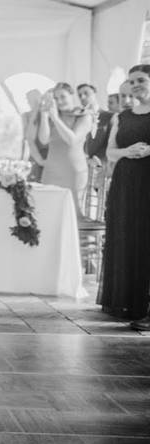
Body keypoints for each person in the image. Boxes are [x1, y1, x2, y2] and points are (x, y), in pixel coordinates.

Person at [99, 65, 150, 328]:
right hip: (125, 185)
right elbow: (110, 153)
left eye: (141, 80)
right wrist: (128, 151)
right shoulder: (122, 117)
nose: (135, 85)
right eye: (131, 81)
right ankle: (129, 301)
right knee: (126, 237)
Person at [39, 82, 91, 215]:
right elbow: (43, 140)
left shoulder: (84, 115)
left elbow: (72, 140)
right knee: (49, 212)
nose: (59, 101)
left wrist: (55, 118)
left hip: (73, 172)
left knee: (73, 213)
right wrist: (45, 117)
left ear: (72, 95)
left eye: (63, 96)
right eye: (55, 98)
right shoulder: (53, 116)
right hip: (51, 172)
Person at [22, 90, 48, 182]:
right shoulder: (26, 116)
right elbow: (28, 138)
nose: (29, 102)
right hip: (34, 155)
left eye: (30, 99)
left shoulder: (48, 113)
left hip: (50, 156)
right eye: (28, 100)